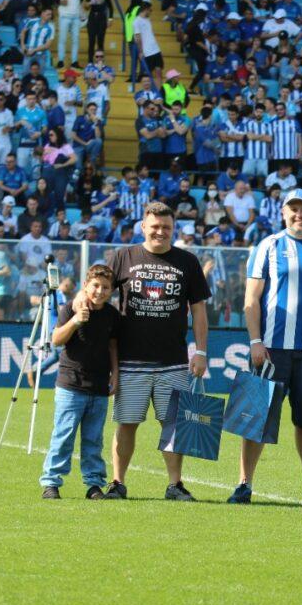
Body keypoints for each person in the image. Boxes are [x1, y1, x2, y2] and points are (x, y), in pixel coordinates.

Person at [228, 189, 302, 507]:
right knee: (256, 419)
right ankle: (244, 484)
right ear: (283, 212)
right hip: (271, 350)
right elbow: (251, 299)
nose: (299, 214)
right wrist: (255, 341)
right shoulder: (268, 245)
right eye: (293, 209)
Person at [87, 202, 211, 501]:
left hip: (173, 360)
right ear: (143, 227)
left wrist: (201, 352)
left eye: (166, 227)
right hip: (131, 359)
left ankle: (175, 485)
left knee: (173, 425)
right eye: (154, 226)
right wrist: (81, 300)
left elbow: (198, 310)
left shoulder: (187, 261)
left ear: (173, 229)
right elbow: (98, 288)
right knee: (126, 423)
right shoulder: (124, 256)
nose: (160, 232)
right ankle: (118, 482)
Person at [39, 265, 119, 500]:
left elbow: (113, 346)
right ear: (86, 285)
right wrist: (75, 321)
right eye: (96, 286)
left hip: (99, 387)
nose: (100, 291)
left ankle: (94, 485)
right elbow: (56, 339)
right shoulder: (70, 308)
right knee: (63, 436)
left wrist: (116, 373)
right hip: (71, 386)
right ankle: (51, 483)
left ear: (111, 290)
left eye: (105, 287)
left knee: (94, 440)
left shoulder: (112, 315)